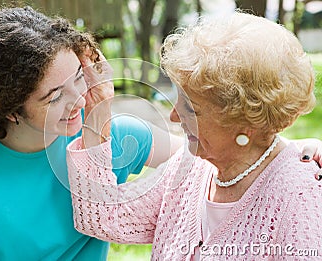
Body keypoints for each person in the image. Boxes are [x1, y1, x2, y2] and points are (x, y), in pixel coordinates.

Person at [0, 6, 183, 261]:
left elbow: (209, 163)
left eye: (79, 77)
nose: (79, 102)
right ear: (11, 110)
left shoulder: (109, 136)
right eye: (55, 96)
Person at [66, 11, 322, 260]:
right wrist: (98, 106)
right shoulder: (190, 168)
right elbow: (105, 218)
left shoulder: (300, 197)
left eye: (191, 108)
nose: (175, 117)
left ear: (244, 122)